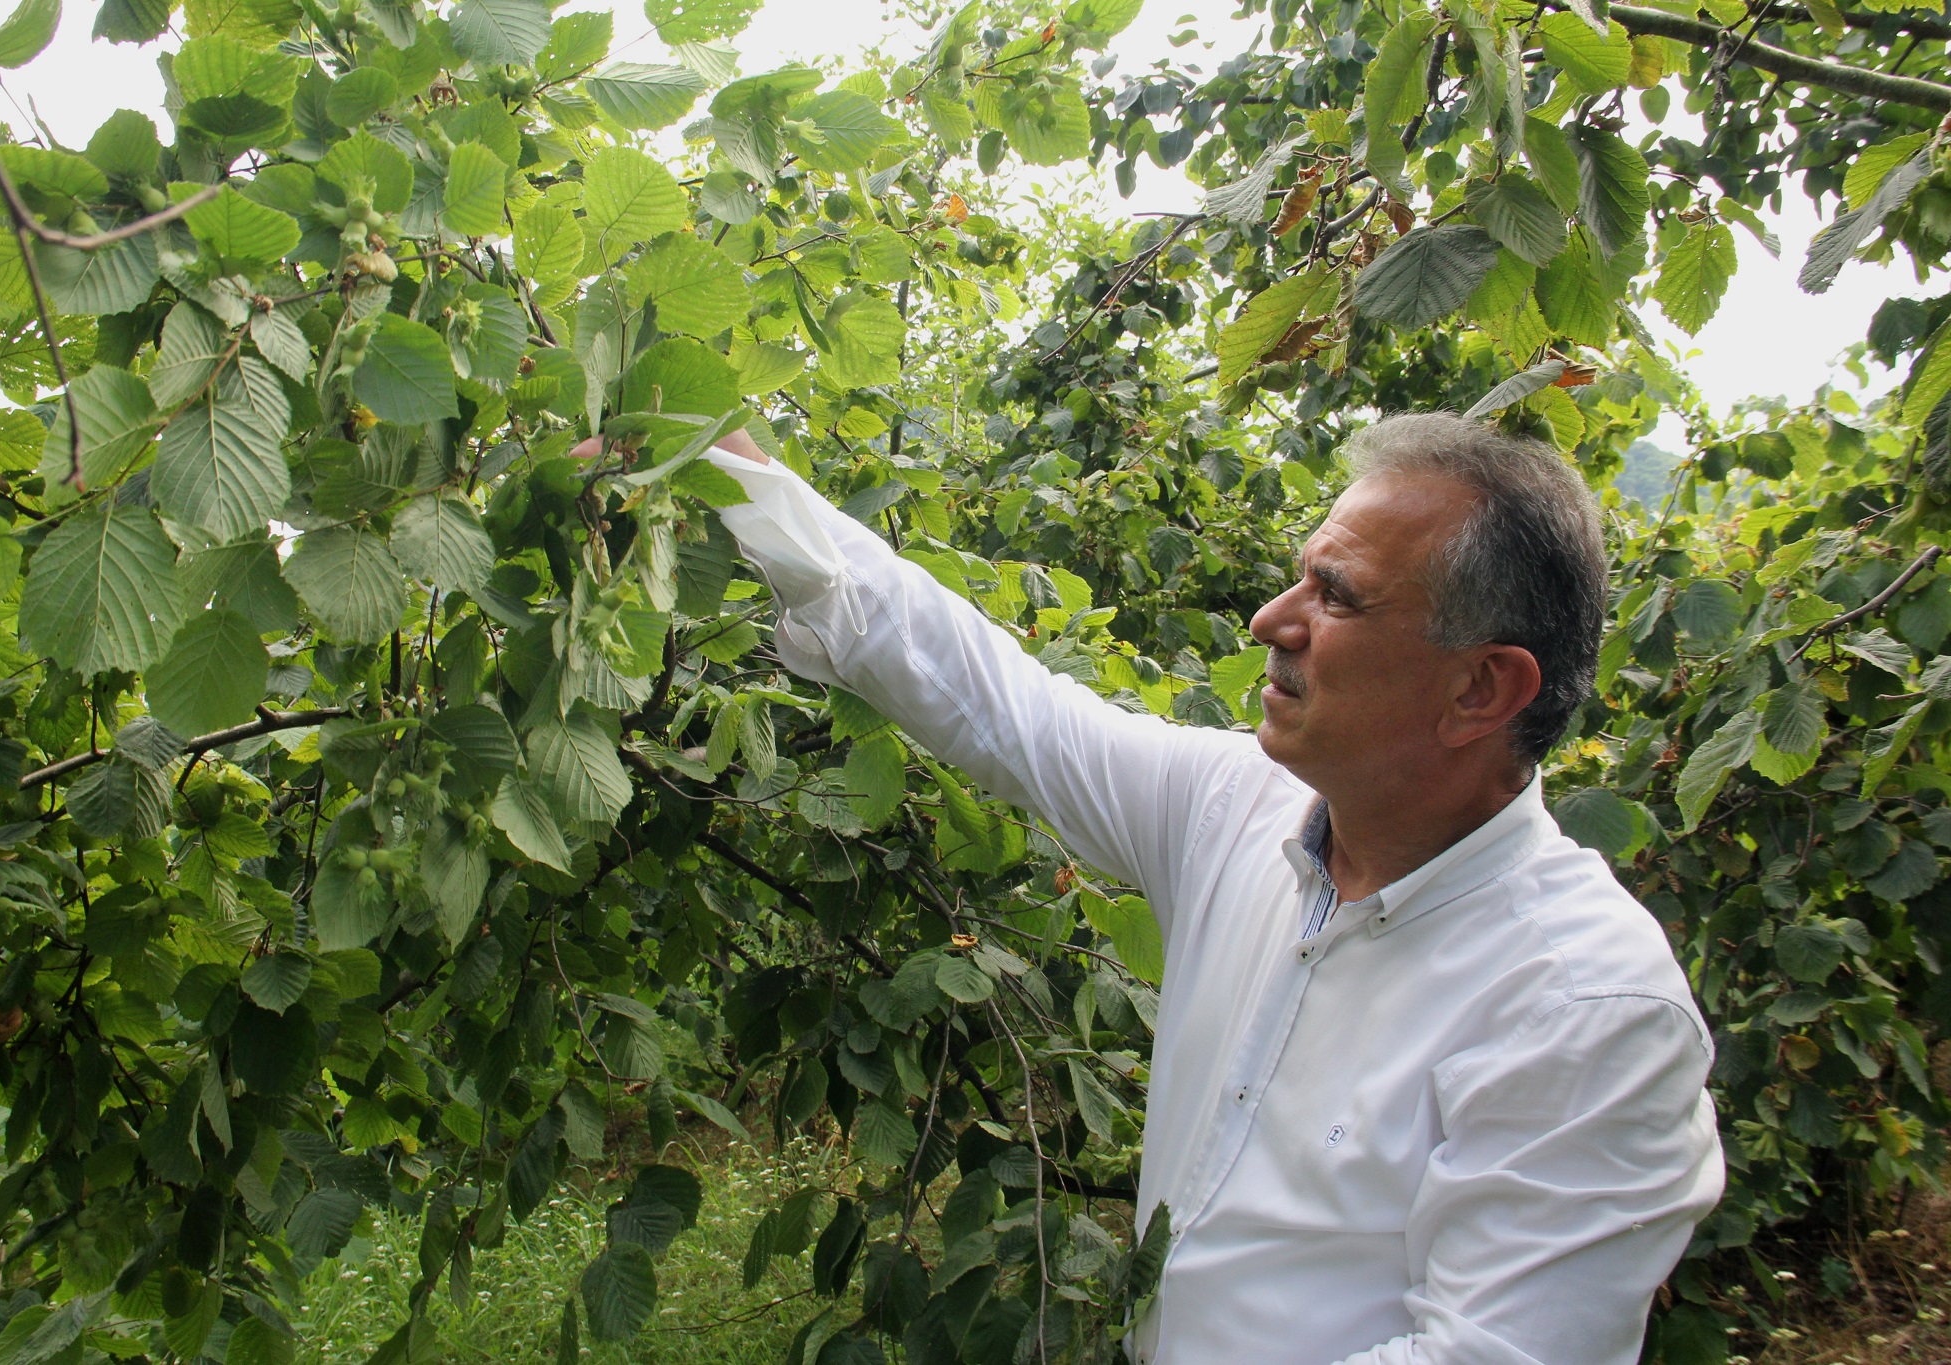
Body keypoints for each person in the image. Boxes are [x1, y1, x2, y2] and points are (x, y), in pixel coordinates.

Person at [572, 412, 1725, 1364]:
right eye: (1297, 577)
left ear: (1480, 688)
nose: (1272, 621)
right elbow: (1001, 705)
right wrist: (724, 469)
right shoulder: (1237, 813)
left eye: (1336, 595)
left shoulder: (1587, 1010)